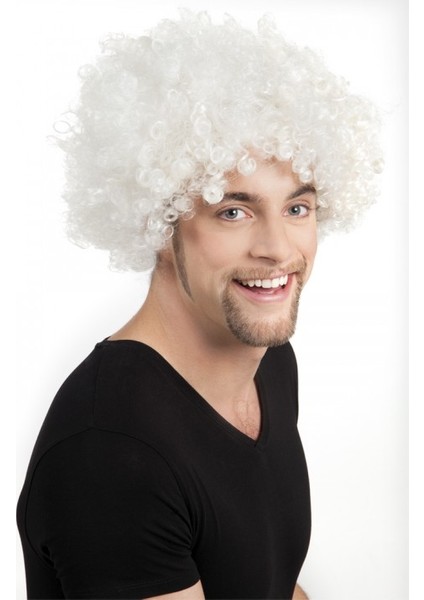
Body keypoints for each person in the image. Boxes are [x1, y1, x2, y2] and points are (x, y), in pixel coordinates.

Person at [17, 9, 382, 600]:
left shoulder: (268, 359)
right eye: (233, 212)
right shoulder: (111, 452)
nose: (277, 249)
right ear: (159, 223)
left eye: (297, 208)